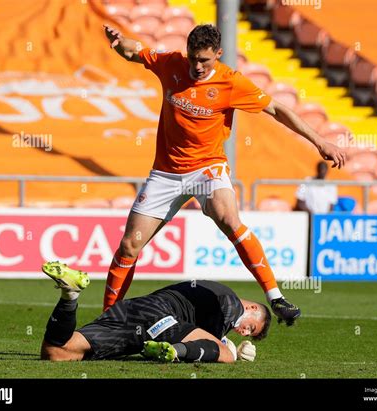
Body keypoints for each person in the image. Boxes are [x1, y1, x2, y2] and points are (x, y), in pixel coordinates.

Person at [101, 24, 346, 325]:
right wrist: (118, 42)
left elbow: (279, 110)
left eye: (205, 60)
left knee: (230, 220)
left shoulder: (232, 83)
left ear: (218, 54)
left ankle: (276, 297)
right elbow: (134, 51)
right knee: (129, 245)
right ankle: (108, 320)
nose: (197, 66)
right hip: (166, 172)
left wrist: (320, 141)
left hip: (208, 168)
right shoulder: (171, 63)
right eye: (193, 58)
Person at [40, 262, 269, 363]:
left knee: (59, 352)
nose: (245, 332)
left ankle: (69, 296)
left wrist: (224, 340)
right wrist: (230, 349)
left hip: (132, 309)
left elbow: (204, 328)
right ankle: (173, 351)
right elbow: (218, 333)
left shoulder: (213, 295)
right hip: (159, 317)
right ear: (252, 308)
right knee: (226, 356)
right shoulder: (230, 302)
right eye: (251, 327)